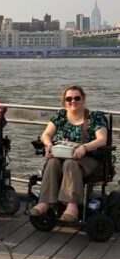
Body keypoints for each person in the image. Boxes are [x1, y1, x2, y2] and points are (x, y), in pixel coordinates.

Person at [28, 86, 108, 223]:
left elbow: (102, 139)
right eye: (69, 99)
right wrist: (48, 145)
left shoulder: (95, 117)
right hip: (61, 156)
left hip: (87, 158)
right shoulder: (60, 116)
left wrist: (84, 147)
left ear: (83, 99)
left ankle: (72, 205)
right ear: (64, 102)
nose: (73, 101)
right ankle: (46, 202)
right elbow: (46, 134)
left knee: (70, 163)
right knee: (52, 162)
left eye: (77, 98)